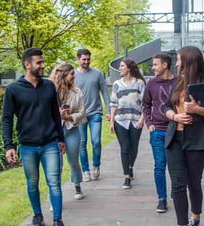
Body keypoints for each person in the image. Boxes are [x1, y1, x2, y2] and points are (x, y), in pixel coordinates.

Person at [1, 48, 66, 226]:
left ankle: (58, 220)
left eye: (43, 62)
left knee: (54, 181)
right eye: (39, 62)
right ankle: (37, 215)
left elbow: (55, 113)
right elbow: (6, 119)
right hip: (27, 145)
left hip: (50, 143)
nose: (43, 65)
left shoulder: (49, 86)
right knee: (32, 183)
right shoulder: (13, 89)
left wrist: (60, 138)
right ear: (27, 64)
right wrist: (9, 146)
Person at [164, 46, 204, 226]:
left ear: (188, 61)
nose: (176, 63)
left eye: (179, 60)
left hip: (198, 141)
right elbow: (166, 107)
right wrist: (175, 116)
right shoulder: (178, 81)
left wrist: (197, 109)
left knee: (193, 181)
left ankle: (195, 215)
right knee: (178, 184)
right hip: (175, 139)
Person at [142, 53, 177, 213]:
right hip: (157, 131)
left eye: (155, 64)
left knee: (176, 165)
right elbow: (145, 104)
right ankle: (161, 198)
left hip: (176, 130)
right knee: (159, 165)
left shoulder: (179, 82)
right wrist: (149, 124)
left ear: (165, 65)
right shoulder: (151, 83)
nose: (152, 67)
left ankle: (176, 192)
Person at [49, 62, 87, 200]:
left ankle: (77, 184)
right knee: (56, 164)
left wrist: (70, 116)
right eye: (71, 74)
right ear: (63, 75)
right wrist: (57, 114)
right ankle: (55, 193)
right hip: (54, 132)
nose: (74, 77)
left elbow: (82, 112)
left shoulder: (77, 91)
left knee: (73, 161)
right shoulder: (50, 90)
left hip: (71, 129)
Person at [75, 49, 111, 182]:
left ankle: (96, 166)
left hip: (95, 112)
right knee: (82, 144)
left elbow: (105, 93)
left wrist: (108, 111)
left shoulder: (97, 74)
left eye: (88, 59)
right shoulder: (72, 75)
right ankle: (85, 170)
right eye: (84, 59)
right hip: (79, 115)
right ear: (78, 59)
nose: (86, 62)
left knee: (96, 141)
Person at [109, 58, 145, 189]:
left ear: (128, 68)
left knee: (133, 148)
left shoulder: (139, 83)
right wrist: (112, 121)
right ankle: (126, 177)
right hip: (120, 120)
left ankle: (130, 167)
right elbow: (113, 103)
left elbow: (145, 103)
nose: (120, 68)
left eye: (122, 66)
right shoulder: (116, 84)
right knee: (125, 147)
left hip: (136, 120)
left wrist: (142, 119)